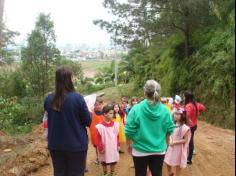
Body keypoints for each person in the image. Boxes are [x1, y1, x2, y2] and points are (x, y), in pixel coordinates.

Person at [44, 66, 91, 176]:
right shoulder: (77, 98)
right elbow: (87, 121)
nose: (74, 79)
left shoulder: (49, 99)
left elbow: (49, 118)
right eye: (73, 76)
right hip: (76, 145)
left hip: (55, 145)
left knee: (59, 173)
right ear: (68, 79)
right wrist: (89, 111)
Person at [125, 80, 175, 176]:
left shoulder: (136, 109)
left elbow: (129, 131)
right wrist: (168, 139)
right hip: (159, 149)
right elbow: (169, 128)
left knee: (140, 174)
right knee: (157, 173)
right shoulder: (165, 110)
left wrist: (128, 144)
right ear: (159, 92)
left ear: (144, 91)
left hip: (140, 150)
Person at [164, 107, 191, 176]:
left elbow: (185, 140)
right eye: (175, 114)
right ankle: (170, 173)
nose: (175, 115)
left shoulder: (185, 128)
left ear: (183, 116)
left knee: (178, 164)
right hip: (171, 146)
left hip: (179, 148)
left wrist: (174, 142)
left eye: (178, 114)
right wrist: (170, 139)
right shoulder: (172, 125)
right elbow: (170, 134)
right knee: (167, 161)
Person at [96, 104, 120, 176]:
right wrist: (100, 148)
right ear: (105, 114)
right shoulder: (100, 126)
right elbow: (98, 138)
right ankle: (105, 173)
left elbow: (117, 135)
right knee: (104, 161)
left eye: (113, 113)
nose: (112, 115)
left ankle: (112, 173)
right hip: (104, 147)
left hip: (112, 146)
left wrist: (118, 144)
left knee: (113, 160)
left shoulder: (115, 125)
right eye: (110, 113)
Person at [183, 91, 206, 165]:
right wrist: (197, 113)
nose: (183, 98)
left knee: (188, 141)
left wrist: (187, 120)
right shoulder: (196, 104)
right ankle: (188, 158)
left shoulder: (188, 105)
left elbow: (187, 115)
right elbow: (203, 108)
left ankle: (188, 159)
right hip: (194, 125)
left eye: (184, 96)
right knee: (190, 141)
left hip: (188, 126)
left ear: (186, 97)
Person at [89, 97, 104, 164]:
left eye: (99, 104)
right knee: (96, 146)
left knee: (104, 144)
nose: (97, 106)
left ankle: (104, 158)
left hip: (103, 132)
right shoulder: (91, 113)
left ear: (102, 104)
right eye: (96, 105)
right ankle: (98, 158)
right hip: (94, 133)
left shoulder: (104, 113)